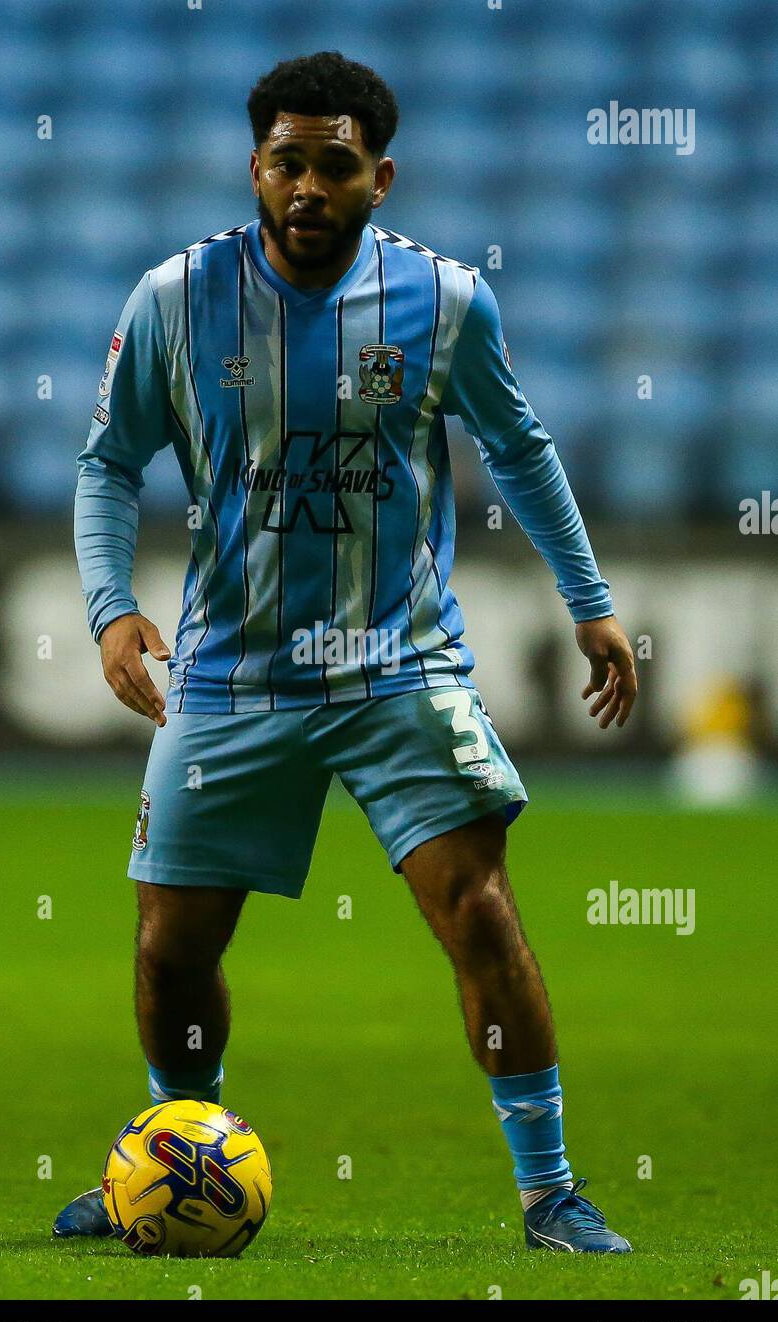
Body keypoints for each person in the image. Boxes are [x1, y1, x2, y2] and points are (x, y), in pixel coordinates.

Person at [57, 51, 638, 1254]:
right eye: (285, 162)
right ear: (255, 168)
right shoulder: (175, 298)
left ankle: (551, 1188)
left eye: (334, 164)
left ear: (380, 177)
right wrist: (112, 607)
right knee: (171, 948)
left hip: (400, 665)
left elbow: (519, 449)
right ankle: (173, 1151)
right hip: (229, 674)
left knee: (478, 912)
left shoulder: (446, 302)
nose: (307, 187)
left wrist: (587, 599)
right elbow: (109, 462)